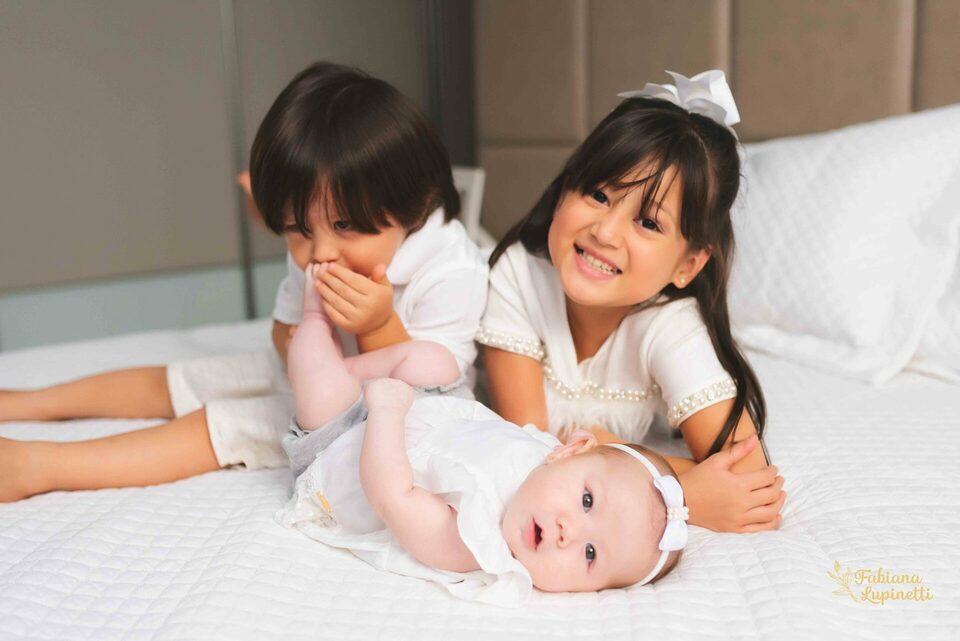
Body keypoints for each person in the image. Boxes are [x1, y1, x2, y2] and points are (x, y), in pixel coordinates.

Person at [0, 62, 487, 502]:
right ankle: (30, 401)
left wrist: (376, 325)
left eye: (343, 225)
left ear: (413, 204)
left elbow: (430, 397)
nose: (318, 252)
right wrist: (300, 346)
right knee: (194, 378)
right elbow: (282, 330)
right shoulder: (321, 250)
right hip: (315, 378)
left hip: (376, 419)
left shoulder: (451, 270)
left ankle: (42, 465)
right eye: (297, 228)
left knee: (225, 425)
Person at [277, 263, 754, 605]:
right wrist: (404, 399)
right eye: (587, 501)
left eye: (590, 554)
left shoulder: (473, 543)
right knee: (434, 360)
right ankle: (354, 371)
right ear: (570, 451)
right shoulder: (544, 457)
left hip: (348, 446)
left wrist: (383, 409)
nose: (569, 531)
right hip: (424, 408)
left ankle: (313, 321)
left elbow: (390, 495)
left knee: (320, 388)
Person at [477, 70, 784, 533]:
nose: (605, 232)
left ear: (689, 265)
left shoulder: (668, 323)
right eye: (599, 194)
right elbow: (528, 455)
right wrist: (675, 492)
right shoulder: (519, 275)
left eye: (648, 222)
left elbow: (750, 482)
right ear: (564, 190)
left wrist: (615, 451)